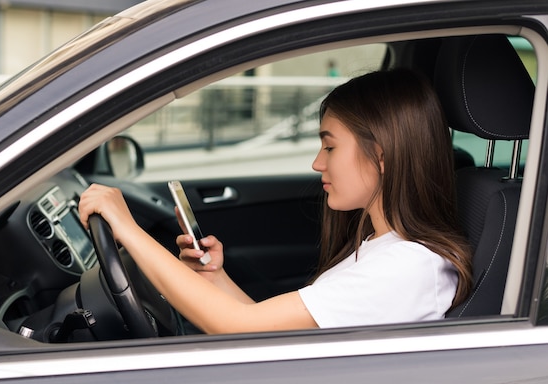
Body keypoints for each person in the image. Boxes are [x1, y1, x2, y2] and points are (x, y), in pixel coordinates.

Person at [78, 68, 472, 334]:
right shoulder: (384, 249)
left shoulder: (404, 269)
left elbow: (234, 325)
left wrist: (127, 229)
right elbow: (264, 325)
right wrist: (215, 277)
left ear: (382, 155)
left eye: (330, 147)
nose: (318, 163)